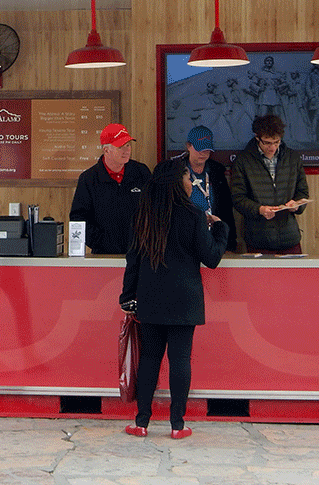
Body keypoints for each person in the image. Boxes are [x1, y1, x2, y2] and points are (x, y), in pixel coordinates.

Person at [118, 158, 228, 439]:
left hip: (150, 297)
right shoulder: (193, 215)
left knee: (149, 359)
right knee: (180, 360)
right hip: (184, 299)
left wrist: (127, 296)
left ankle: (141, 422)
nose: (191, 183)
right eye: (188, 178)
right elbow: (211, 258)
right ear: (177, 183)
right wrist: (220, 229)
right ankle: (178, 425)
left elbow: (133, 261)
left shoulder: (143, 215)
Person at [230, 114, 309, 254]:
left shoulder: (293, 158)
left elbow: (303, 192)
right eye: (267, 143)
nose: (272, 147)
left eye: (276, 142)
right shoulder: (243, 161)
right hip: (258, 237)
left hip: (289, 236)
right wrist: (260, 209)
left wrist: (296, 205)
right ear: (257, 137)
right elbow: (238, 198)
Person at [69, 123, 152, 255]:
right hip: (104, 255)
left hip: (140, 254)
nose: (126, 151)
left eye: (128, 145)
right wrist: (101, 242)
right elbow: (78, 218)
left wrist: (145, 239)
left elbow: (154, 208)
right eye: (120, 147)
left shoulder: (141, 172)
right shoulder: (89, 179)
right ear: (106, 150)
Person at [183, 125, 236, 251]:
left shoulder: (217, 171)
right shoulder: (177, 170)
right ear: (188, 146)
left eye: (207, 150)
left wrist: (230, 242)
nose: (203, 153)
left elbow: (226, 209)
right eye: (199, 148)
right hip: (186, 236)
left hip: (213, 237)